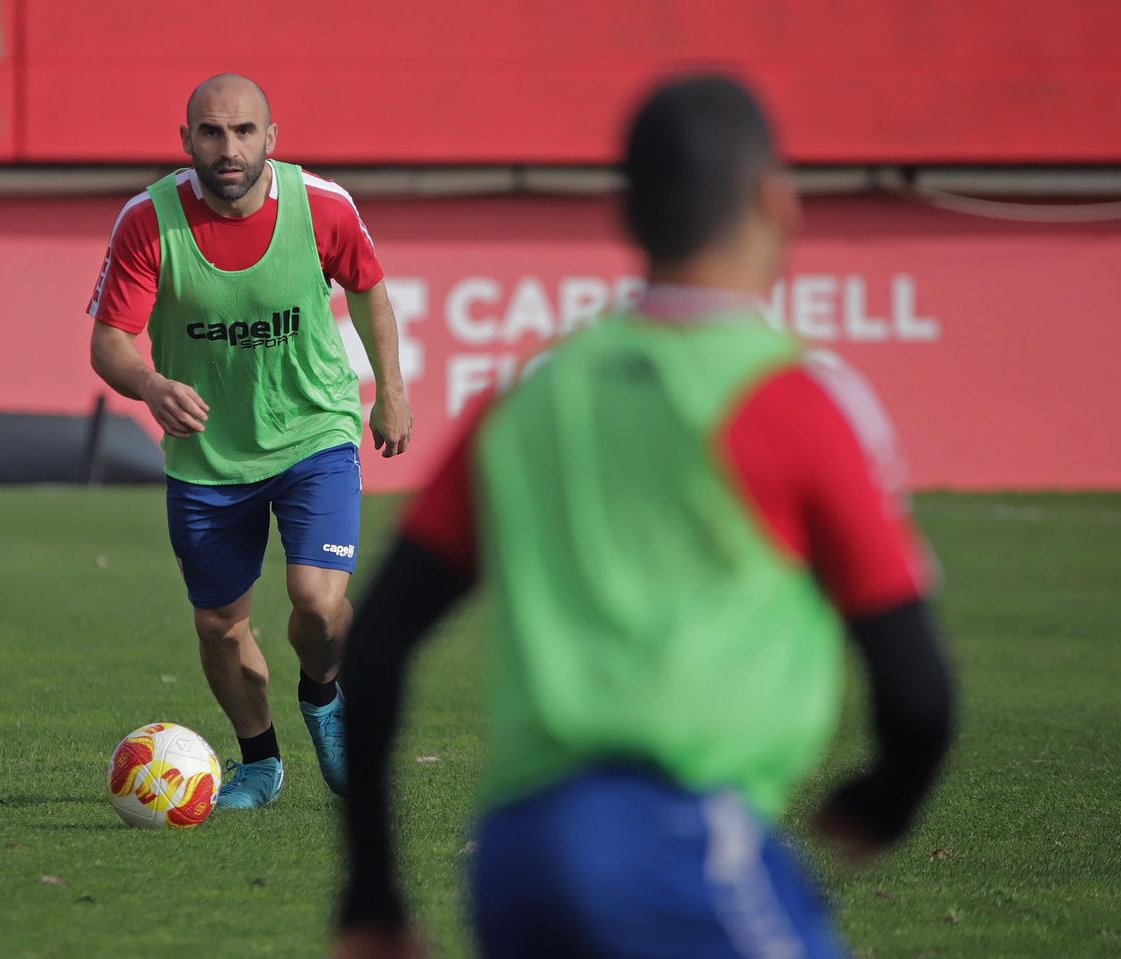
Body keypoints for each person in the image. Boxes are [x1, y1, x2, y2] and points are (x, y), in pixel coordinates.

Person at [333, 74, 955, 958]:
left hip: (515, 858)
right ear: (776, 201)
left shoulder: (533, 395)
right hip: (679, 845)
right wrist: (886, 800)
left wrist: (373, 891)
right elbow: (920, 693)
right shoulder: (796, 399)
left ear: (627, 214)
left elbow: (378, 641)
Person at [88, 73, 412, 809]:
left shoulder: (322, 206)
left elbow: (369, 289)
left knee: (317, 602)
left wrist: (389, 392)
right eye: (210, 132)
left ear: (271, 137)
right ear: (186, 141)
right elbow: (110, 342)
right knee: (218, 625)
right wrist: (150, 384)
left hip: (312, 431)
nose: (227, 147)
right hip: (208, 452)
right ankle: (261, 763)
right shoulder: (149, 220)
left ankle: (324, 693)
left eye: (242, 131)